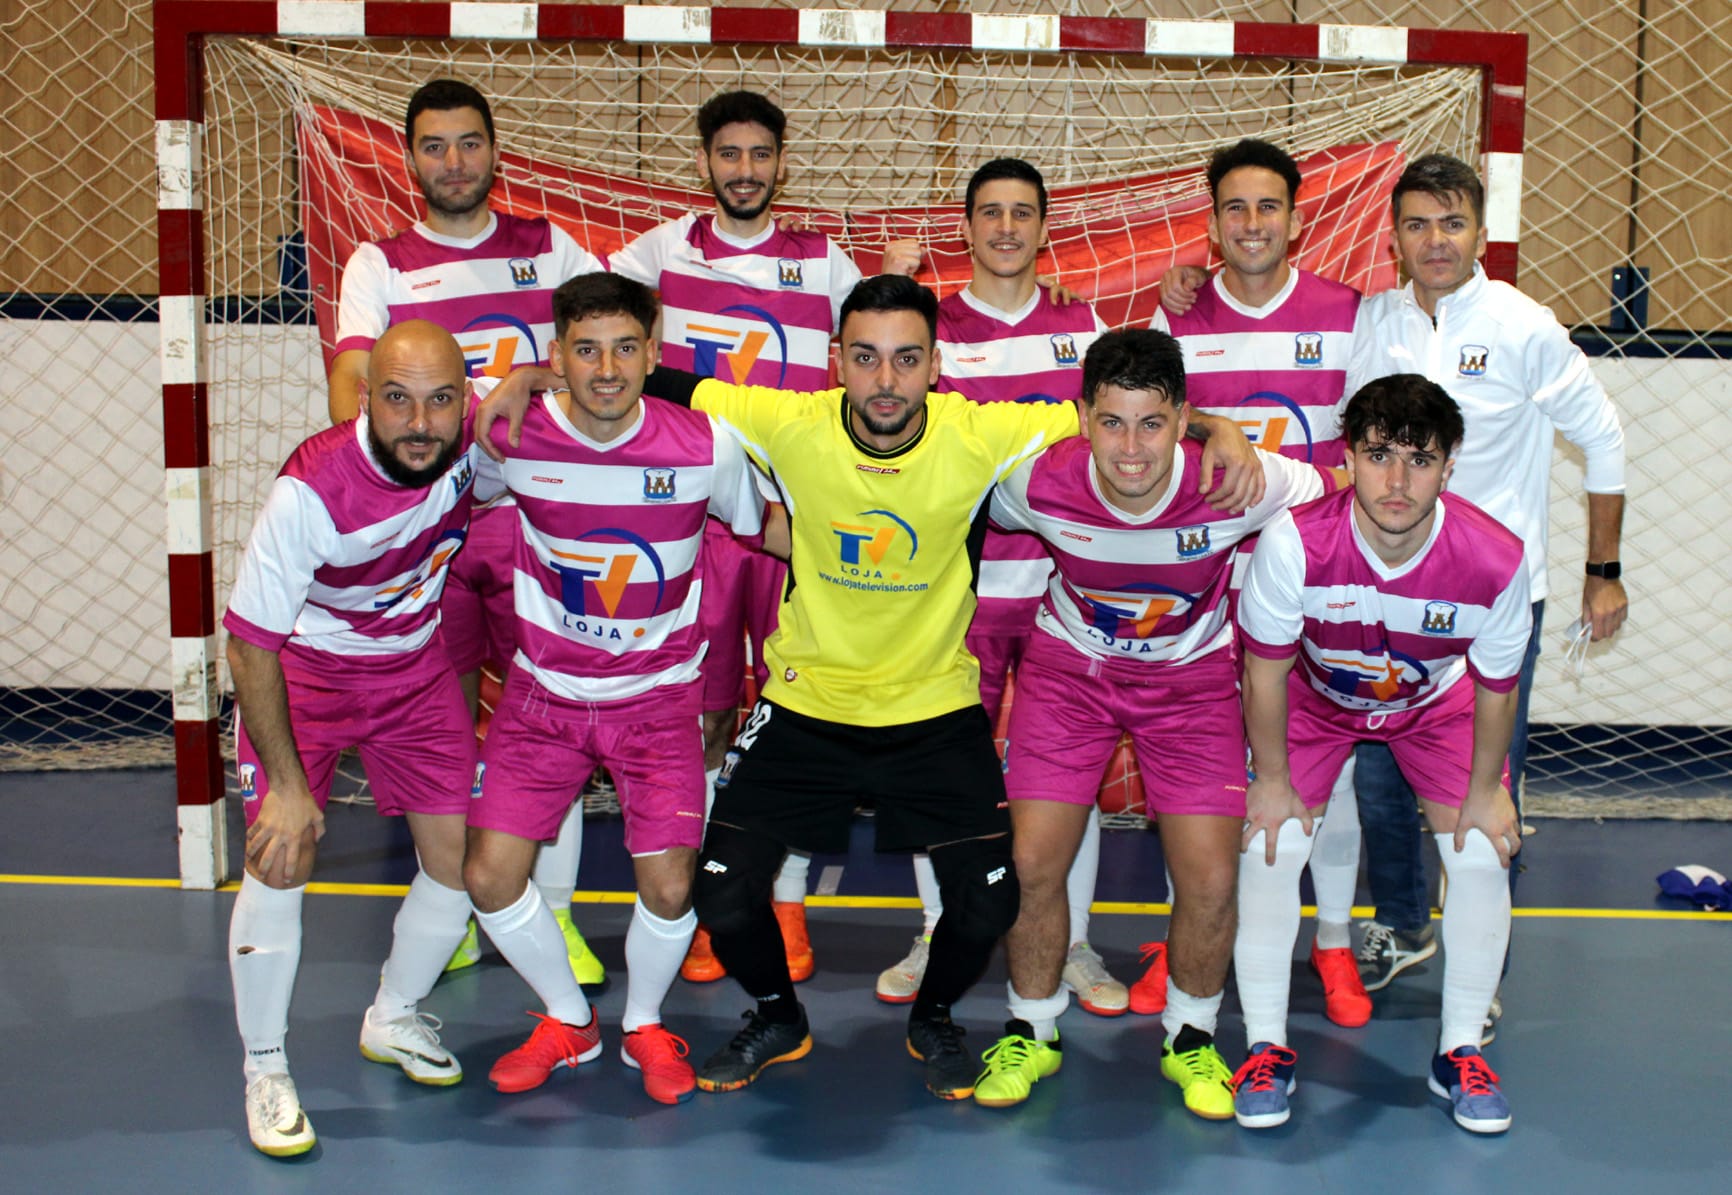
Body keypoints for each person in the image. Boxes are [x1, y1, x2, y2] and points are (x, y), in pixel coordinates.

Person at [972, 328, 1333, 1116]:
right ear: (1081, 418)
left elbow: (1343, 495)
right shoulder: (1036, 483)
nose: (1131, 448)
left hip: (1192, 682)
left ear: (1182, 419)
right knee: (1032, 862)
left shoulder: (1235, 480)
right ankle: (1032, 1026)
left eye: (1152, 423)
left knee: (1209, 878)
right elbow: (946, 494)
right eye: (1111, 422)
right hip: (1070, 676)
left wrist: (1226, 435)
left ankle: (1191, 1037)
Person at [610, 90, 921, 983]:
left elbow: (883, 357)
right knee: (708, 721)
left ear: (782, 164)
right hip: (697, 525)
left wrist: (896, 274)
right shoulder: (658, 254)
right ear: (704, 162)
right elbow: (588, 327)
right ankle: (721, 901)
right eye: (728, 155)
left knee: (797, 720)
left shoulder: (821, 262)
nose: (744, 171)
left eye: (760, 156)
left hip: (797, 527)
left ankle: (784, 902)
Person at [461, 274, 771, 1106]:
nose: (607, 368)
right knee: (488, 877)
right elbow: (442, 479)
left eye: (626, 347)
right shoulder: (514, 436)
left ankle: (640, 1021)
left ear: (655, 352)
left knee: (673, 885)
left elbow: (766, 527)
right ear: (556, 355)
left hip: (658, 699)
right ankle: (568, 1018)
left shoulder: (706, 444)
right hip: (542, 699)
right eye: (587, 349)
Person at [326, 78, 607, 983]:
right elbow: (349, 398)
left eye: (469, 142)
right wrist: (476, 420)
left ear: (496, 150)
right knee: (437, 730)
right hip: (430, 538)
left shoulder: (552, 250)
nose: (454, 161)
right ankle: (448, 908)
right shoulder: (381, 263)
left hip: (538, 527)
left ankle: (554, 917)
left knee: (550, 728)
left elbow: (598, 371)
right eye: (435, 145)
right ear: (410, 158)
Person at [1344, 154, 1627, 1001]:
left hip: (1495, 602)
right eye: (1419, 224)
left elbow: (1604, 439)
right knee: (1380, 772)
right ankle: (1402, 923)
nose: (1436, 241)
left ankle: (1481, 969)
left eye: (1453, 222)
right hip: (1385, 591)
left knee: (1484, 785)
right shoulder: (1370, 322)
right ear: (1394, 235)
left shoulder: (1522, 323)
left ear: (1480, 230)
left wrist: (1602, 571)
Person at [1235, 373, 1530, 1134]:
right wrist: (1271, 781)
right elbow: (1263, 671)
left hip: (1434, 707)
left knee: (1479, 852)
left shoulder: (1494, 558)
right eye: (1378, 455)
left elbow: (1498, 688)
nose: (1397, 481)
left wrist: (1487, 789)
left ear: (1450, 463)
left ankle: (1458, 1051)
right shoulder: (1294, 541)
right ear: (1349, 457)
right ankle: (1266, 1046)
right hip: (1315, 700)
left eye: (1420, 460)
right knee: (1269, 846)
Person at [224, 321, 485, 1156]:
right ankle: (265, 1066)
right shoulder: (311, 489)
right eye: (398, 398)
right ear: (364, 397)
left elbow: (533, 401)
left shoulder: (470, 445)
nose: (420, 422)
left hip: (413, 670)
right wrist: (293, 786)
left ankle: (394, 1014)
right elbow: (251, 643)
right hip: (302, 675)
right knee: (281, 851)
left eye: (441, 400)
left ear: (464, 404)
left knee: (468, 862)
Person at [877, 157, 1126, 1017]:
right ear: (968, 225)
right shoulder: (932, 330)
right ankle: (938, 926)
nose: (1007, 229)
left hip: (1065, 592)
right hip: (958, 592)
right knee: (940, 770)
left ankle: (1078, 938)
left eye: (1024, 213)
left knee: (1072, 773)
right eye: (991, 213)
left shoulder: (1083, 325)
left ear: (1046, 225)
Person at [1136, 138, 1371, 1029]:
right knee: (1197, 770)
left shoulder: (1349, 314)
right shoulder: (1178, 322)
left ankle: (1336, 941)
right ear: (1212, 221)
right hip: (1209, 582)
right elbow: (1148, 424)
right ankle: (1179, 935)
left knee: (1330, 771)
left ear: (1297, 219)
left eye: (1268, 206)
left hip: (1321, 586)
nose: (1252, 224)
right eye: (1234, 208)